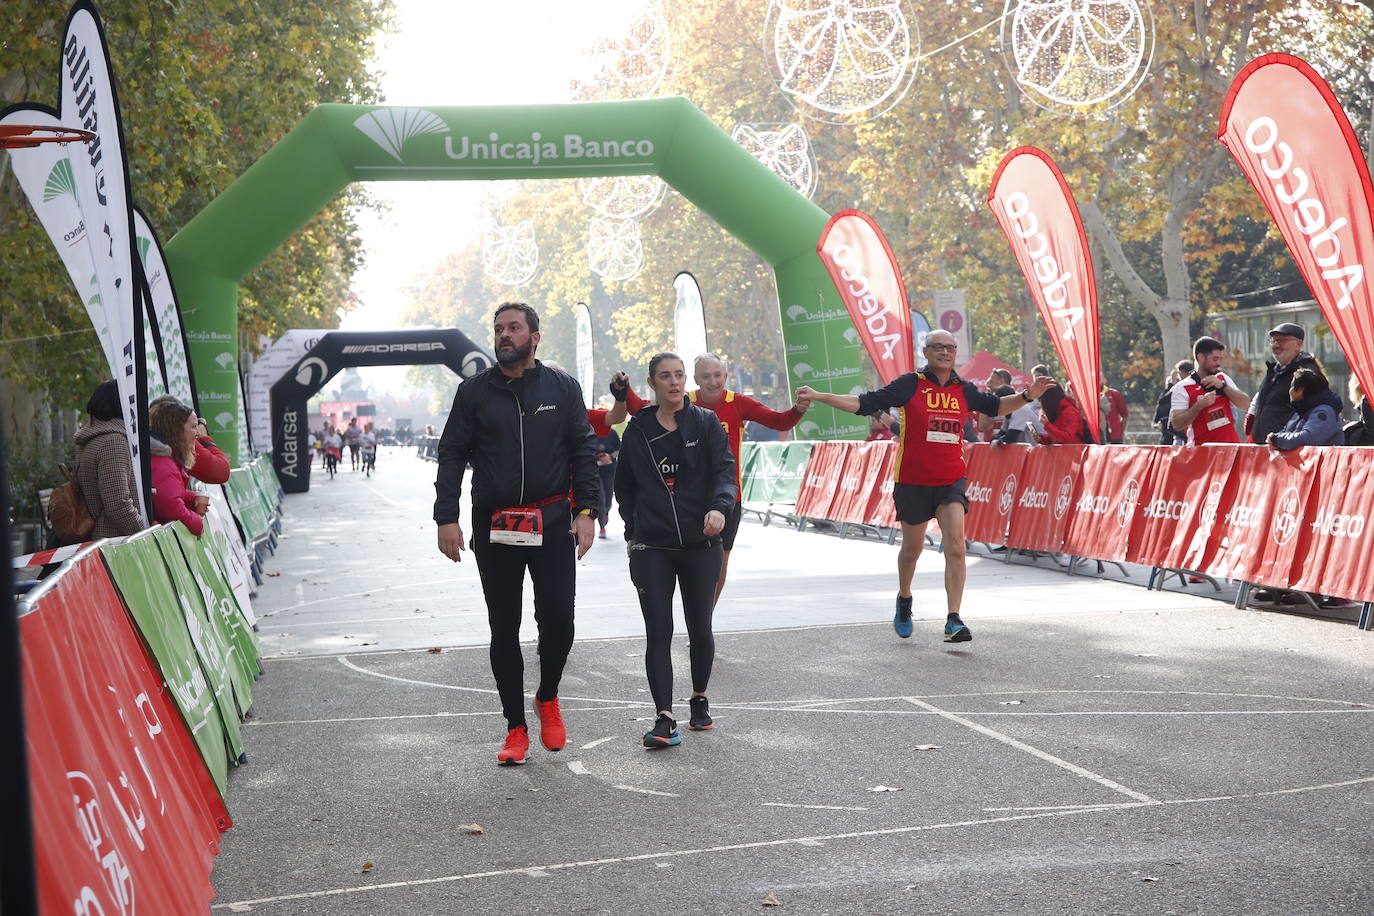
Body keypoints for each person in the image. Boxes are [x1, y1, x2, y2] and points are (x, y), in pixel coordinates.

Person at [796, 330, 1055, 643]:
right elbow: (864, 403)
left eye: (951, 348)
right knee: (912, 550)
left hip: (951, 479)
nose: (945, 352)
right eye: (939, 347)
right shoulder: (910, 384)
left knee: (956, 545)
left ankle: (954, 619)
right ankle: (905, 598)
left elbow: (996, 406)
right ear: (927, 352)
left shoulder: (964, 388)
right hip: (913, 480)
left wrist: (1029, 395)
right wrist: (821, 396)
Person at [434, 302, 599, 766]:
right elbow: (451, 455)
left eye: (514, 328)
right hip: (496, 525)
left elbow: (584, 450)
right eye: (499, 329)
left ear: (535, 337)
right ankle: (515, 727)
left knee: (558, 623)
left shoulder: (561, 387)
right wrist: (446, 517)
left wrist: (588, 510)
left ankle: (547, 696)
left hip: (551, 521)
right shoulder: (474, 392)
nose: (505, 335)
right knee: (503, 628)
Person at [615, 352, 736, 748]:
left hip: (701, 544)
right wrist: (633, 533)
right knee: (658, 631)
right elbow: (625, 487)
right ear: (652, 383)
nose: (674, 382)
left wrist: (719, 509)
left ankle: (699, 698)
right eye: (665, 376)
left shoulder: (706, 423)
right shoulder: (638, 431)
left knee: (700, 626)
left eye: (679, 375)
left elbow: (725, 474)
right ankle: (664, 719)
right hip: (653, 546)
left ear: (688, 381)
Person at [689, 353, 808, 606]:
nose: (713, 382)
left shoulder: (738, 403)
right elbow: (644, 411)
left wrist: (798, 409)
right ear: (696, 379)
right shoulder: (683, 402)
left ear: (726, 376)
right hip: (689, 498)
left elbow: (779, 421)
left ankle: (704, 619)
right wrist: (624, 394)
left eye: (718, 375)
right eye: (707, 376)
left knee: (719, 563)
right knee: (692, 564)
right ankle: (695, 613)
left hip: (729, 496)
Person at [72, 379, 146, 539]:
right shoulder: (113, 442)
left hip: (100, 538)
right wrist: (143, 533)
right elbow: (118, 503)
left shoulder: (93, 437)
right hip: (114, 541)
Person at [1247, 322, 1321, 443]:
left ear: (1298, 344)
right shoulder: (1274, 371)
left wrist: (1286, 439)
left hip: (1287, 448)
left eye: (1282, 340)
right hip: (1265, 448)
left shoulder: (1306, 373)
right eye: (1273, 340)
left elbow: (1311, 412)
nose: (1276, 344)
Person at [1170, 337, 1250, 446]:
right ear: (1201, 357)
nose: (1219, 363)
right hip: (1201, 453)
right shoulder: (1182, 387)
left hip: (1231, 450)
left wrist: (1223, 387)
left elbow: (1246, 405)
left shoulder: (1223, 378)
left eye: (1221, 359)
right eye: (1215, 359)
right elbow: (1177, 424)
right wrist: (1199, 406)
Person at [147, 398, 210, 536]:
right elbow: (171, 507)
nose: (198, 433)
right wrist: (198, 523)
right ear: (177, 429)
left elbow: (171, 492)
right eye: (193, 427)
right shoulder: (162, 462)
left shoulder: (167, 457)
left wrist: (192, 498)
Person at [150, 394, 230, 484]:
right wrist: (204, 437)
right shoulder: (179, 442)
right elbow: (221, 472)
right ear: (176, 426)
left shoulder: (155, 443)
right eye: (193, 426)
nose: (197, 433)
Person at [1267, 368, 1344, 450]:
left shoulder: (1325, 412)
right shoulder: (1300, 412)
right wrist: (1275, 439)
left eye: (1292, 386)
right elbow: (1286, 433)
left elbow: (1308, 438)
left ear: (1300, 390)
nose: (1289, 391)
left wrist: (1277, 440)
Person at [1102, 380, 1129, 444]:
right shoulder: (1089, 395)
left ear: (1105, 380)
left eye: (1100, 378)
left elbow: (1125, 415)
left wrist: (1119, 432)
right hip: (1096, 436)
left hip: (1114, 437)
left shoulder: (1114, 394)